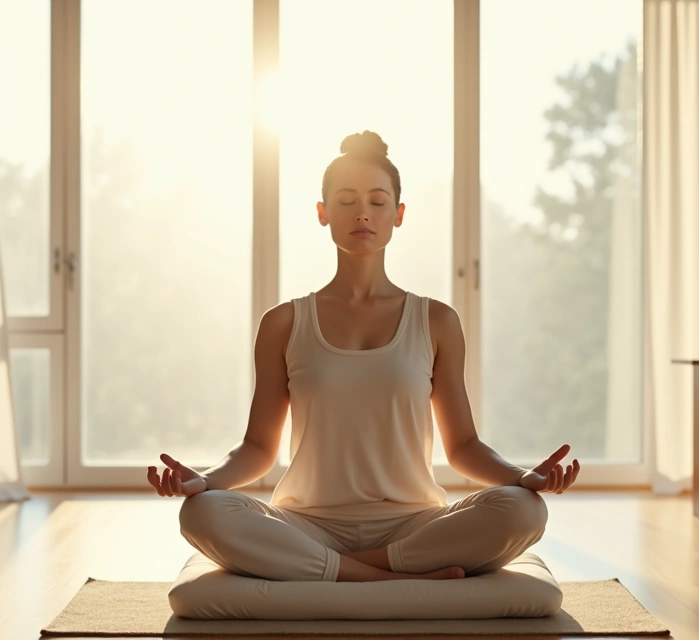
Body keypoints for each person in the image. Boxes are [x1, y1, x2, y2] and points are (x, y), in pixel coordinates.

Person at [147, 130, 580, 584]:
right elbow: (257, 449)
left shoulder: (436, 321)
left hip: (412, 523)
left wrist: (522, 476)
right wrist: (205, 482)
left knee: (523, 509)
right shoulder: (283, 323)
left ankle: (352, 571)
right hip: (308, 524)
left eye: (377, 201)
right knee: (203, 514)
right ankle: (395, 577)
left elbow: (463, 447)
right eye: (346, 200)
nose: (362, 213)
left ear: (398, 214)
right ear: (322, 213)